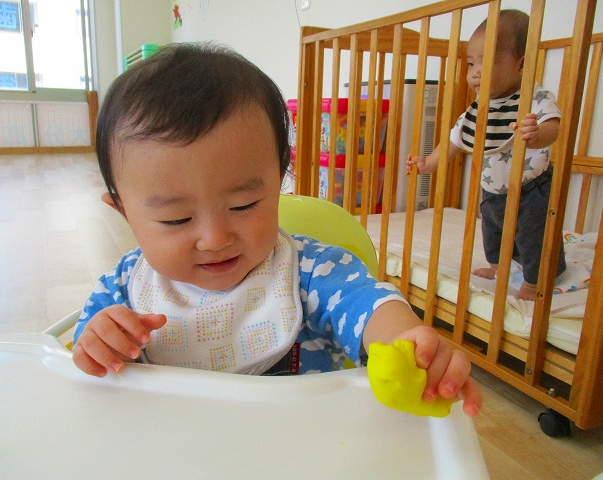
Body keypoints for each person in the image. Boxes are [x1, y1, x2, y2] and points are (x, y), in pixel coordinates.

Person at [72, 42, 481, 417]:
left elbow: (368, 305)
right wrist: (98, 344)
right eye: (176, 219)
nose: (215, 239)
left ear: (280, 180)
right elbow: (84, 364)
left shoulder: (310, 272)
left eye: (244, 205)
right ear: (123, 212)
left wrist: (408, 345)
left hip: (301, 445)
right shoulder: (122, 290)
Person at [406, 9, 566, 301]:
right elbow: (455, 138)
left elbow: (553, 127)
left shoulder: (535, 98)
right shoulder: (480, 106)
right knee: (492, 232)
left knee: (534, 236)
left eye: (487, 61)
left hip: (531, 187)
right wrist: (428, 163)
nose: (475, 72)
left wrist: (536, 134)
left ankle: (533, 282)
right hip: (492, 189)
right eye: (471, 63)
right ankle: (497, 266)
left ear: (521, 65)